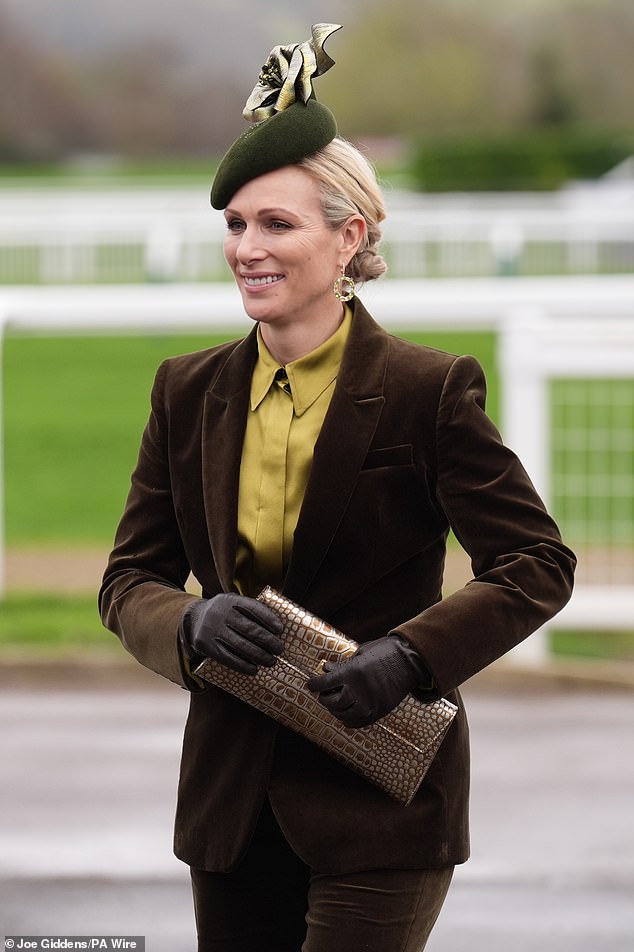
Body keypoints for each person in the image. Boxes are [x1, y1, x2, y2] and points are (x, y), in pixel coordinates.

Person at [99, 23, 576, 952]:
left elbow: (535, 562)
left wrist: (410, 656)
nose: (247, 248)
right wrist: (186, 627)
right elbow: (128, 583)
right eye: (235, 225)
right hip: (229, 807)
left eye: (276, 223)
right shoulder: (185, 390)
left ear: (348, 236)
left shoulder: (427, 391)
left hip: (382, 798)